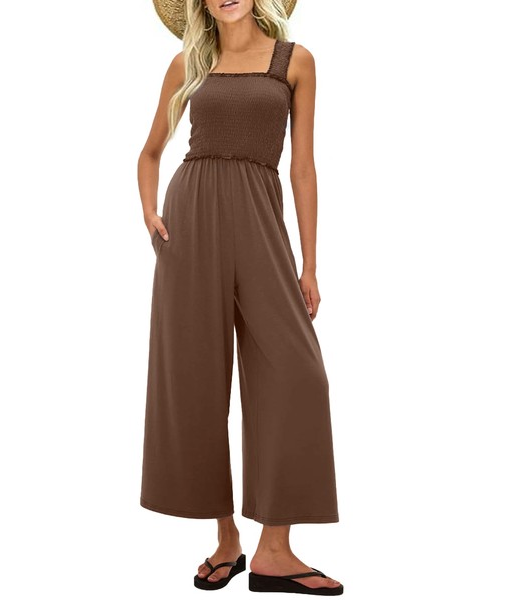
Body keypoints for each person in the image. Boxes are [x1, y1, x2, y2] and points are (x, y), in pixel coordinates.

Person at [138, 0, 343, 594]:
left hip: (260, 218)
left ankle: (275, 550)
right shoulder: (187, 65)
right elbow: (150, 151)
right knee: (196, 380)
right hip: (191, 218)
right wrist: (150, 212)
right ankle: (227, 540)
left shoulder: (294, 62)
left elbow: (302, 168)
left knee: (299, 374)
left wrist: (309, 263)